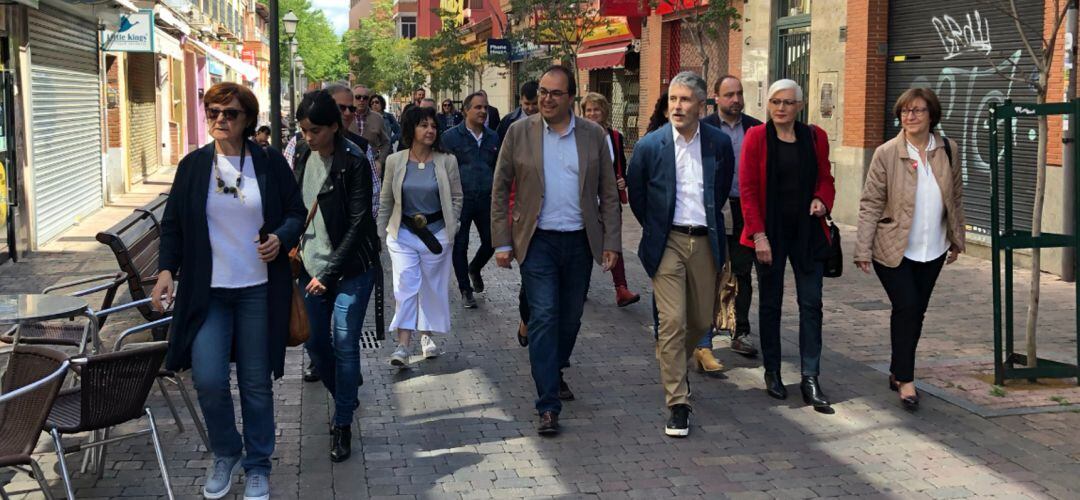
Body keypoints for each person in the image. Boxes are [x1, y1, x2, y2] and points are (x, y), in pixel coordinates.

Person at [152, 82, 306, 500]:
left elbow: (295, 211)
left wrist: (280, 236)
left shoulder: (270, 163)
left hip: (258, 289)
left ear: (247, 119)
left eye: (230, 113)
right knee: (208, 379)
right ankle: (226, 451)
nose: (220, 119)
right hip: (209, 292)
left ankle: (258, 464)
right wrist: (166, 269)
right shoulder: (193, 166)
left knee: (256, 382)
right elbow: (173, 225)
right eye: (213, 112)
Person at [491, 65, 621, 436]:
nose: (546, 99)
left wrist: (611, 242)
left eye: (554, 93)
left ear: (572, 98)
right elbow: (500, 188)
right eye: (543, 92)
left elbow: (608, 193)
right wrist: (502, 241)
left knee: (570, 317)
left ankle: (555, 366)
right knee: (545, 315)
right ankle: (548, 403)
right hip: (538, 241)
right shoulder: (519, 132)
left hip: (580, 240)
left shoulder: (594, 136)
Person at [626, 72, 734, 437]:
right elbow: (638, 195)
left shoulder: (718, 144)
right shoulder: (650, 145)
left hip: (704, 241)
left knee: (703, 321)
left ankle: (671, 356)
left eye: (686, 100)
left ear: (702, 106)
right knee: (672, 321)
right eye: (673, 99)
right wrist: (656, 228)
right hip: (667, 241)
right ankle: (678, 402)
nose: (677, 106)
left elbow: (718, 193)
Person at [855, 87, 964, 411]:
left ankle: (897, 369)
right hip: (893, 248)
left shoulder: (948, 150)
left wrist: (957, 239)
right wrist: (862, 248)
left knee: (914, 311)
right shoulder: (887, 153)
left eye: (917, 110)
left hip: (933, 248)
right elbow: (870, 202)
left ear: (932, 115)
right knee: (908, 306)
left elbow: (954, 198)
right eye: (905, 111)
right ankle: (906, 379)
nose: (910, 116)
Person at [291, 90, 380, 462]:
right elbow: (292, 207)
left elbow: (360, 222)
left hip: (352, 269)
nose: (307, 137)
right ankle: (345, 391)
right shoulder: (299, 154)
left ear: (333, 127)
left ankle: (342, 422)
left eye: (314, 130)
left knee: (345, 342)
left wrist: (329, 272)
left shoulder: (354, 160)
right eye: (303, 130)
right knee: (313, 342)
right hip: (310, 266)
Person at [739, 79, 836, 413]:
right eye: (775, 102)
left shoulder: (815, 137)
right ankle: (774, 371)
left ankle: (811, 376)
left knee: (812, 304)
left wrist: (822, 199)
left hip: (807, 232)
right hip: (771, 232)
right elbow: (748, 189)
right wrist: (758, 235)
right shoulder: (756, 138)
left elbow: (826, 177)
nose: (781, 108)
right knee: (771, 304)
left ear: (800, 105)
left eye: (788, 103)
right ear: (767, 104)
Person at [377, 106, 463, 367]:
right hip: (402, 234)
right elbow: (386, 200)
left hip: (436, 235)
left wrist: (453, 227)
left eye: (433, 126)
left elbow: (457, 197)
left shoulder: (447, 160)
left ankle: (426, 336)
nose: (429, 130)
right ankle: (403, 345)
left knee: (430, 287)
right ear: (411, 129)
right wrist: (380, 235)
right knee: (406, 285)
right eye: (423, 125)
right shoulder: (395, 160)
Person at [696, 75, 763, 368]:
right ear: (716, 98)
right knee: (709, 270)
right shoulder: (704, 128)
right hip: (713, 206)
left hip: (745, 207)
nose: (735, 99)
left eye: (739, 94)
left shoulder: (756, 128)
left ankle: (741, 331)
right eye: (729, 95)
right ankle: (704, 336)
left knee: (743, 271)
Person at [581, 92, 640, 307]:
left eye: (596, 109)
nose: (593, 113)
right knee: (585, 242)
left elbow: (620, 167)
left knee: (613, 240)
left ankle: (621, 288)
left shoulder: (615, 136)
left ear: (604, 111)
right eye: (588, 110)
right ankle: (580, 286)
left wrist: (622, 181)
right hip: (587, 199)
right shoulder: (579, 136)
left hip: (609, 200)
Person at [441, 92, 499, 309]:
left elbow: (498, 167)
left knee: (492, 241)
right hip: (460, 200)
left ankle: (475, 268)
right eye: (478, 107)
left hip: (485, 198)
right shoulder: (450, 137)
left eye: (485, 107)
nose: (483, 111)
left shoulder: (493, 137)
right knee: (460, 245)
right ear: (466, 110)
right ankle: (465, 289)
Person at [495, 80, 540, 347]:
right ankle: (527, 322)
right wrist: (505, 235)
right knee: (531, 284)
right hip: (524, 223)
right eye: (528, 104)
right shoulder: (512, 128)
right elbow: (503, 182)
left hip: (560, 230)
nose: (533, 108)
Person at [353, 85, 391, 168]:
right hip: (350, 166)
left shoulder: (377, 118)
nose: (361, 100)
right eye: (358, 97)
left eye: (365, 98)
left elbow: (386, 142)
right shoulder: (346, 116)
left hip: (371, 166)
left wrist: (380, 162)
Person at [497, 81, 539, 148]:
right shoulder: (507, 121)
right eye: (527, 104)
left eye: (535, 104)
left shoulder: (549, 120)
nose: (531, 108)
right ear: (521, 100)